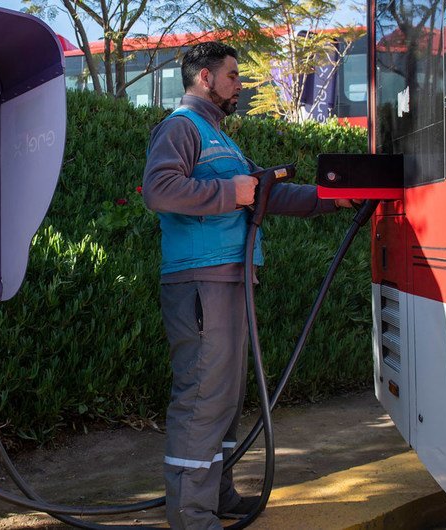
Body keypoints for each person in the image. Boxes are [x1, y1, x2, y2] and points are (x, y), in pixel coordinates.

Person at [141, 41, 353, 530]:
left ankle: (218, 495)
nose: (241, 84)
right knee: (202, 396)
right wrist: (226, 191)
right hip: (200, 280)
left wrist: (334, 199)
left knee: (227, 395)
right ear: (204, 79)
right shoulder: (181, 127)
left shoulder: (223, 140)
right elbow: (159, 190)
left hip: (232, 279)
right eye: (233, 75)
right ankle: (192, 518)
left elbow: (262, 196)